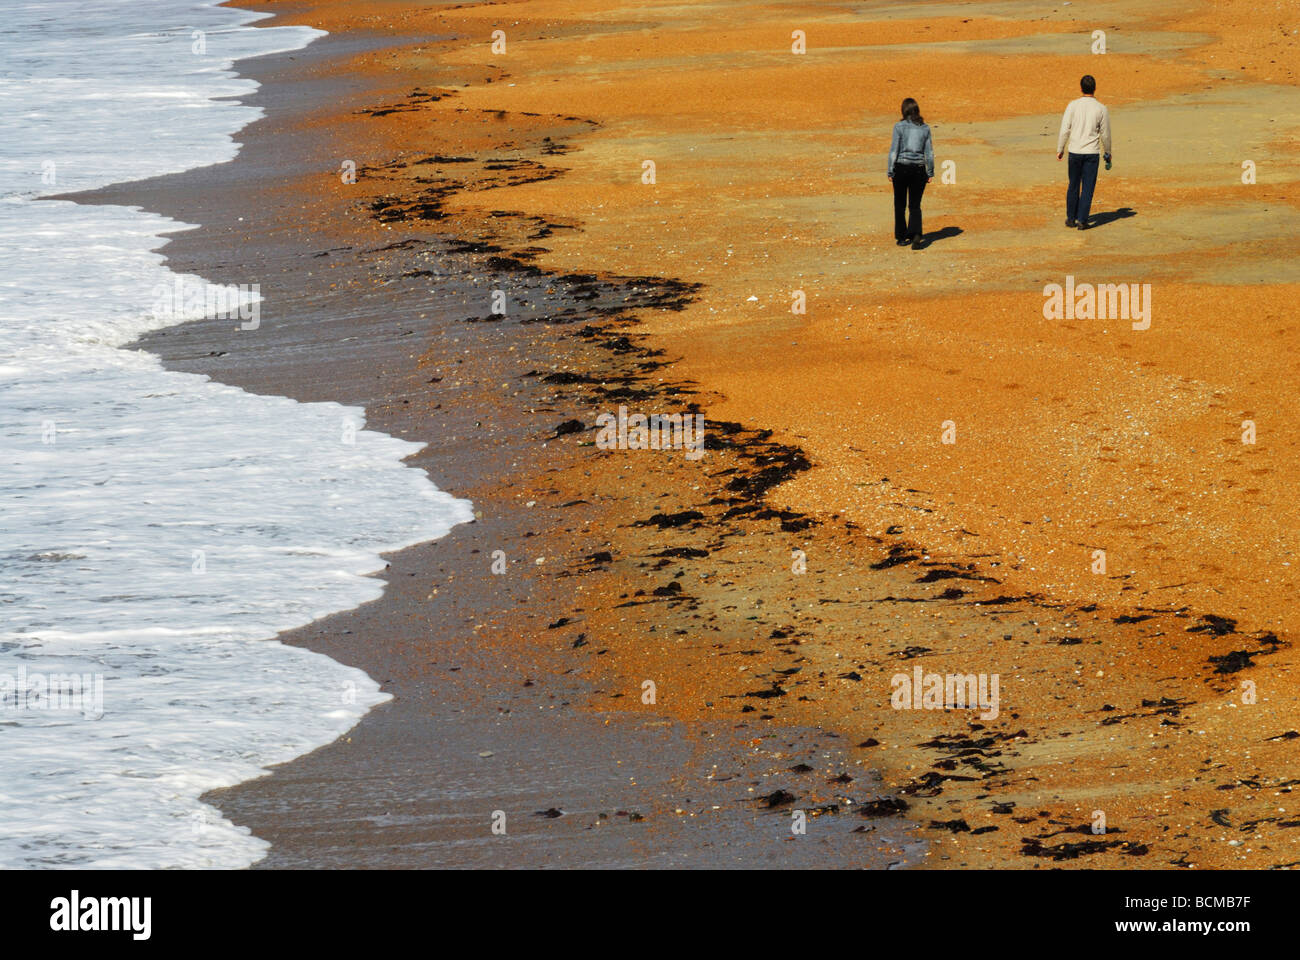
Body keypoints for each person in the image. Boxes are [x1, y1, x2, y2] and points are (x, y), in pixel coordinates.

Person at [1057, 75, 1112, 230]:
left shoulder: (1072, 106)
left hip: (1074, 151)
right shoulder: (1101, 108)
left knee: (1073, 185)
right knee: (1087, 187)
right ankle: (1082, 219)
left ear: (1081, 88)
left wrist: (1060, 149)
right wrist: (1108, 152)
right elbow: (1105, 134)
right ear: (1094, 88)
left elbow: (1064, 129)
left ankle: (1070, 218)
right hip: (1091, 153)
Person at [888, 98, 934, 248]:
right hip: (919, 169)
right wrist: (930, 172)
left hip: (901, 167)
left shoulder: (899, 127)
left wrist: (890, 170)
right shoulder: (925, 128)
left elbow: (894, 150)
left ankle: (901, 237)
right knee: (915, 205)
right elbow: (929, 152)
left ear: (904, 111)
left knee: (900, 204)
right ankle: (915, 233)